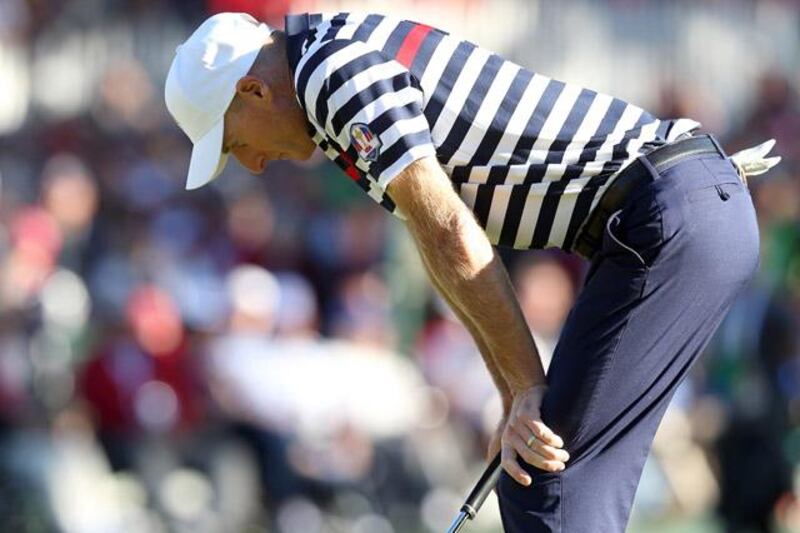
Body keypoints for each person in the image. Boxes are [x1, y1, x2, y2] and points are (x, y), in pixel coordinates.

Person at [163, 12, 780, 532]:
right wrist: (515, 395)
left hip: (669, 213)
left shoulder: (327, 76)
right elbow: (444, 249)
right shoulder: (323, 68)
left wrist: (524, 390)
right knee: (538, 476)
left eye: (231, 142)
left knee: (546, 485)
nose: (251, 166)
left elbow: (452, 232)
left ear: (252, 91)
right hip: (676, 214)